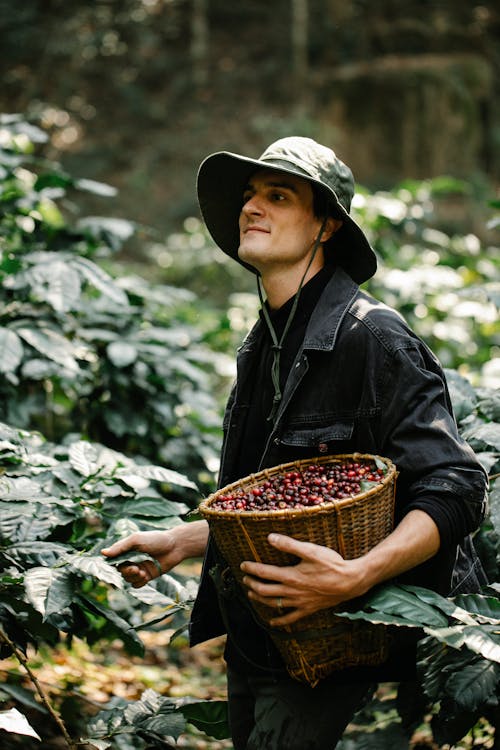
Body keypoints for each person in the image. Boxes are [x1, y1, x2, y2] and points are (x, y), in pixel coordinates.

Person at [102, 137, 488, 749]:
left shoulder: (373, 339)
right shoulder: (264, 346)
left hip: (344, 644)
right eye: (250, 196)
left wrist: (355, 576)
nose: (252, 207)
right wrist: (184, 539)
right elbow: (283, 506)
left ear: (326, 225)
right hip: (265, 637)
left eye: (278, 196)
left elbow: (455, 488)